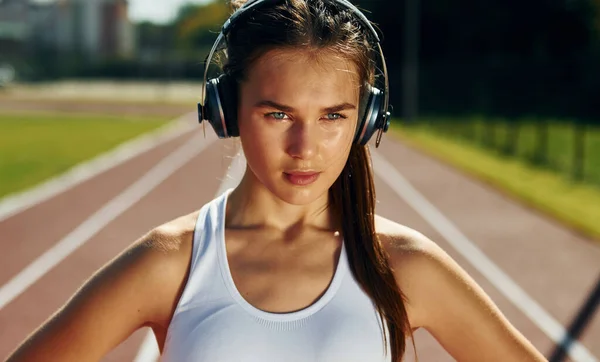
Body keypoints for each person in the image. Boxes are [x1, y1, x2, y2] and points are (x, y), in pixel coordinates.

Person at [6, 0, 549, 361]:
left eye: (333, 116)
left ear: (364, 120)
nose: (305, 147)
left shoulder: (405, 265)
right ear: (226, 110)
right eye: (278, 114)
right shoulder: (170, 262)